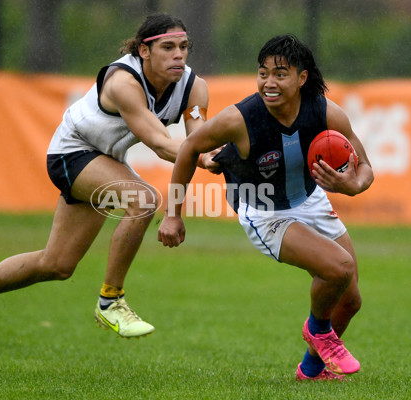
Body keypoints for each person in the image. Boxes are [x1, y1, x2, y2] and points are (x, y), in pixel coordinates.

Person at [0, 13, 215, 350]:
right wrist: (205, 158)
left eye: (183, 47)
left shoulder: (196, 88)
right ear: (144, 52)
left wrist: (181, 202)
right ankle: (111, 300)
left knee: (57, 264)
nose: (179, 54)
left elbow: (196, 145)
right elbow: (164, 144)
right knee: (144, 199)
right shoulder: (124, 82)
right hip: (70, 154)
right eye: (168, 47)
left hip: (104, 161)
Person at [158, 34, 374, 381]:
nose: (269, 83)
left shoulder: (325, 112)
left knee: (350, 301)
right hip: (264, 211)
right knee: (339, 267)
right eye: (262, 73)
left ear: (302, 78)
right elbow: (189, 149)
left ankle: (311, 370)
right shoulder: (240, 118)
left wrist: (353, 184)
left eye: (280, 74)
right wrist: (173, 214)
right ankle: (318, 330)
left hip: (310, 200)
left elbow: (364, 168)